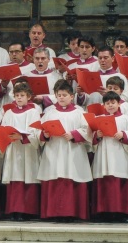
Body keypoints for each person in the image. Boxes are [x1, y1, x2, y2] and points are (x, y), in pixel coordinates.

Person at [37, 80, 91, 221]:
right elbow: (39, 131)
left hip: (73, 150)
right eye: (59, 95)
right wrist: (45, 134)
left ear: (71, 96)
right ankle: (53, 213)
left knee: (71, 177)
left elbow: (88, 130)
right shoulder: (49, 112)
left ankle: (73, 213)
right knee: (55, 177)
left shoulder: (80, 112)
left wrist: (75, 134)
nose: (61, 97)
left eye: (64, 95)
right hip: (54, 150)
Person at [90, 91, 128, 222]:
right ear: (103, 105)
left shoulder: (126, 119)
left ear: (119, 103)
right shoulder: (98, 119)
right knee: (104, 182)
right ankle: (103, 212)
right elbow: (90, 138)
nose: (110, 105)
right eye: (107, 103)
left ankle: (123, 213)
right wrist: (97, 135)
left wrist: (124, 135)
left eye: (113, 103)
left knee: (120, 182)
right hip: (103, 155)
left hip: (120, 155)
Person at [0, 82, 41, 220]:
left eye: (22, 95)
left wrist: (22, 137)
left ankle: (27, 211)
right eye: (17, 95)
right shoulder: (9, 113)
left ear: (28, 97)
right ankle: (14, 210)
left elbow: (36, 132)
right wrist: (8, 136)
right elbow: (3, 129)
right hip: (13, 148)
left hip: (27, 149)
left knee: (28, 177)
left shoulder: (34, 112)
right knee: (14, 178)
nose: (19, 98)